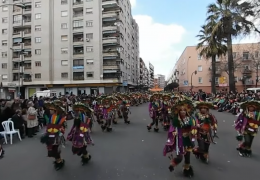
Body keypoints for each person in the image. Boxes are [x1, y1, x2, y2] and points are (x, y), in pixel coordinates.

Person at [163, 96, 197, 177]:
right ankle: (173, 164)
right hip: (180, 140)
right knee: (180, 157)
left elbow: (194, 127)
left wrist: (193, 130)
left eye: (184, 110)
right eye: (181, 110)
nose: (183, 112)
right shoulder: (176, 119)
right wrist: (174, 132)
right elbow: (172, 128)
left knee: (187, 157)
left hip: (188, 139)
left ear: (187, 110)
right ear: (178, 111)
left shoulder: (191, 118)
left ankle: (187, 170)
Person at [40, 102, 67, 170]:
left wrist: (59, 131)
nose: (50, 111)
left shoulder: (61, 118)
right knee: (51, 149)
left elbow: (63, 127)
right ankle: (59, 160)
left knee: (55, 149)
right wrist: (47, 132)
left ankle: (59, 162)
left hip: (57, 136)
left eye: (51, 110)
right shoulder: (50, 117)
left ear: (55, 111)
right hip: (50, 135)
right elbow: (48, 125)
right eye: (50, 110)